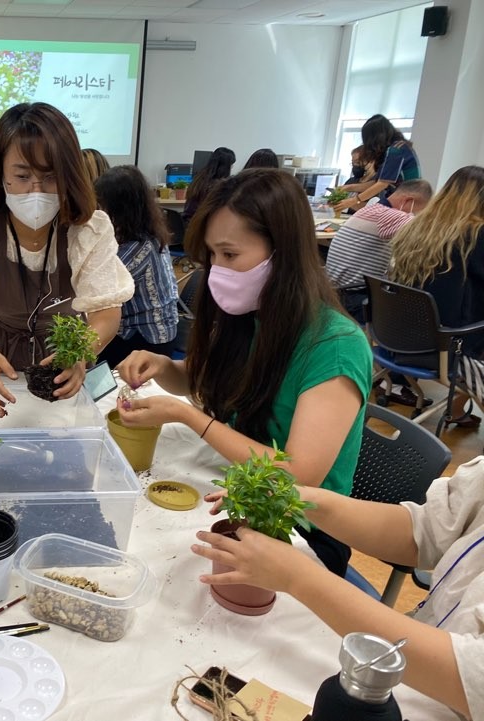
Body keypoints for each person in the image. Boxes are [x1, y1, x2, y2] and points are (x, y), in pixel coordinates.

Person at [115, 169, 373, 576]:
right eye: (212, 257)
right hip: (235, 491)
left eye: (230, 255)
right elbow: (202, 380)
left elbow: (295, 474)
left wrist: (187, 415)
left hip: (299, 528)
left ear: (282, 251)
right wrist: (164, 367)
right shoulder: (249, 316)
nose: (217, 270)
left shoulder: (335, 347)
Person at [193, 456, 484, 720]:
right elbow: (423, 531)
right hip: (405, 660)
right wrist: (299, 498)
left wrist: (297, 577)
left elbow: (468, 678)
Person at [0, 102, 133, 416]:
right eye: (23, 176)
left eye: (51, 177)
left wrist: (82, 352)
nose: (36, 190)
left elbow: (106, 311)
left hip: (63, 357)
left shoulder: (89, 230)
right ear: (0, 172)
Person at [390, 165, 484, 428]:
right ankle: (457, 409)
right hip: (447, 345)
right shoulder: (474, 236)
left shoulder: (416, 227)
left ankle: (455, 410)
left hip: (397, 337)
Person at [94, 166, 179, 366]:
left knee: (91, 354)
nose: (98, 211)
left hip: (148, 339)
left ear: (119, 208)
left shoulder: (138, 250)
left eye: (102, 206)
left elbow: (99, 289)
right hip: (149, 329)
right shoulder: (148, 234)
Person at [326, 179, 432, 322]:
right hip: (355, 297)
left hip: (336, 293)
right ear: (408, 201)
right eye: (417, 211)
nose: (415, 215)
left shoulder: (370, 209)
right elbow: (432, 235)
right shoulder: (392, 215)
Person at [333, 115, 420, 212]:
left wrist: (354, 200)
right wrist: (348, 187)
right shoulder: (395, 148)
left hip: (407, 200)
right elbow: (376, 182)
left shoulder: (396, 150)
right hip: (403, 198)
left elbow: (382, 184)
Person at [182, 147, 236, 224]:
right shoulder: (218, 186)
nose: (232, 167)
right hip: (202, 227)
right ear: (225, 167)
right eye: (231, 165)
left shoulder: (199, 178)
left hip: (191, 224)